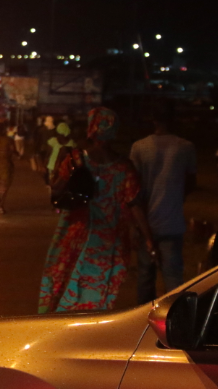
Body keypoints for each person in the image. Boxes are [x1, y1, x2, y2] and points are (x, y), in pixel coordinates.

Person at [39, 108, 154, 313]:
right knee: (100, 287)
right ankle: (90, 324)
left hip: (75, 232)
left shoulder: (75, 159)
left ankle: (64, 321)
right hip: (110, 239)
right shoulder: (124, 167)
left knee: (67, 279)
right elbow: (134, 204)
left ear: (91, 128)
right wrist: (147, 237)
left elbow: (56, 188)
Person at [130, 107, 197, 303]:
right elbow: (191, 182)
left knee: (144, 277)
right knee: (173, 278)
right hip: (172, 222)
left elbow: (133, 188)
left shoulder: (139, 147)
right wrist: (176, 197)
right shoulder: (186, 147)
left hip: (145, 223)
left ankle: (142, 324)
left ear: (153, 120)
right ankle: (175, 322)